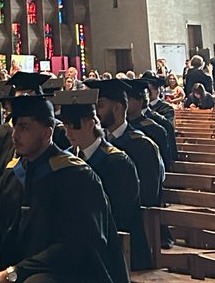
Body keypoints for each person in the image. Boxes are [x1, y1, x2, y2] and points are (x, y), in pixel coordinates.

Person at [0, 91, 129, 283]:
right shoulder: (13, 173)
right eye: (15, 127)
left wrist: (15, 273)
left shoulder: (76, 176)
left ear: (47, 133)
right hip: (18, 266)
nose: (15, 135)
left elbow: (76, 245)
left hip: (69, 271)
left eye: (24, 128)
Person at [55, 90, 151, 273]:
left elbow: (122, 214)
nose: (68, 133)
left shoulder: (118, 162)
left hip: (115, 247)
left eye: (73, 127)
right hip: (76, 242)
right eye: (65, 127)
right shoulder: (65, 159)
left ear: (91, 124)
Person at [96, 80, 164, 208]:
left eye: (100, 106)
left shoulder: (143, 146)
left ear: (117, 108)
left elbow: (149, 197)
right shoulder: (97, 145)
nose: (96, 113)